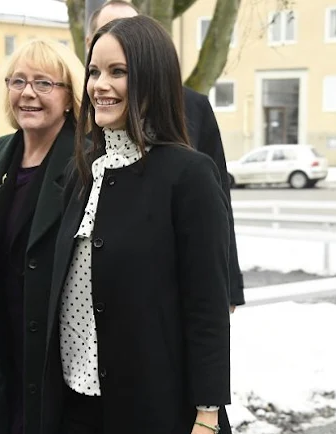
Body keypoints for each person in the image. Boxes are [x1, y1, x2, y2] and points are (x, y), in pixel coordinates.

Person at [40, 15, 234, 434]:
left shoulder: (189, 176)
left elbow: (207, 312)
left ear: (152, 78)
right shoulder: (82, 173)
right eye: (93, 72)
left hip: (156, 413)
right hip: (76, 409)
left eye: (118, 72)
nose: (99, 85)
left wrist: (206, 421)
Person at [0, 39, 85, 434]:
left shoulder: (86, 157)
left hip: (57, 340)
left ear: (69, 96)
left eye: (44, 83)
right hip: (3, 329)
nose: (28, 93)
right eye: (19, 81)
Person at [87, 0, 245, 312]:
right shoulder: (89, 110)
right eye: (107, 31)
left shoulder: (194, 107)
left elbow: (217, 203)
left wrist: (228, 287)